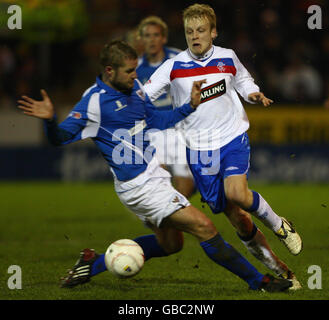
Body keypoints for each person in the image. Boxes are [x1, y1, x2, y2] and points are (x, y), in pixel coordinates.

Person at [18, 40, 291, 292]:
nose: (135, 76)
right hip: (139, 188)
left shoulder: (135, 88)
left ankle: (93, 263)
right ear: (109, 71)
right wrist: (50, 120)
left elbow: (157, 120)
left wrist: (189, 107)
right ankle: (259, 281)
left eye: (135, 69)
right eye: (128, 71)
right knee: (205, 227)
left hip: (156, 175)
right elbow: (59, 138)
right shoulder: (93, 103)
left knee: (171, 245)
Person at [143, 4, 302, 289]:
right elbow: (144, 94)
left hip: (232, 137)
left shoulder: (227, 57)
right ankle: (283, 271)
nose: (195, 36)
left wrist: (255, 95)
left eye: (201, 30)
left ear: (213, 32)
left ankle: (279, 224)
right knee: (238, 219)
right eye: (190, 31)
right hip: (199, 151)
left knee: (237, 193)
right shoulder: (174, 66)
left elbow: (243, 81)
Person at [136, 16, 195, 198]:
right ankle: (168, 219)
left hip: (181, 128)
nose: (152, 39)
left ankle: (174, 215)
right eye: (147, 35)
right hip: (152, 131)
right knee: (157, 183)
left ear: (164, 38)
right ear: (141, 39)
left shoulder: (179, 59)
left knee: (186, 183)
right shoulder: (135, 68)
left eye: (156, 35)